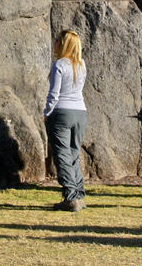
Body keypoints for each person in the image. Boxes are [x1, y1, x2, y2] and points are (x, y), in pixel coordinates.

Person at [44, 29, 88, 211]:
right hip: (80, 113)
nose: (54, 43)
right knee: (73, 154)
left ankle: (70, 197)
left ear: (63, 44)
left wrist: (47, 112)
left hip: (62, 112)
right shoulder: (82, 65)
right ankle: (79, 194)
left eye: (57, 41)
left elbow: (54, 94)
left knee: (62, 154)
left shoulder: (60, 65)